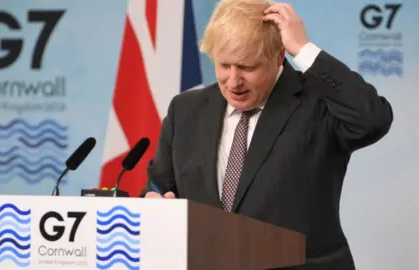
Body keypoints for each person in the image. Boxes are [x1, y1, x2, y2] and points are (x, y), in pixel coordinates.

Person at [141, 0, 393, 269]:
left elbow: (372, 120)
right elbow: (158, 186)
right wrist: (154, 202)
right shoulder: (185, 110)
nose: (233, 81)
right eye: (224, 65)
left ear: (278, 56)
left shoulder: (319, 105)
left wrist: (304, 50)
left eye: (247, 68)